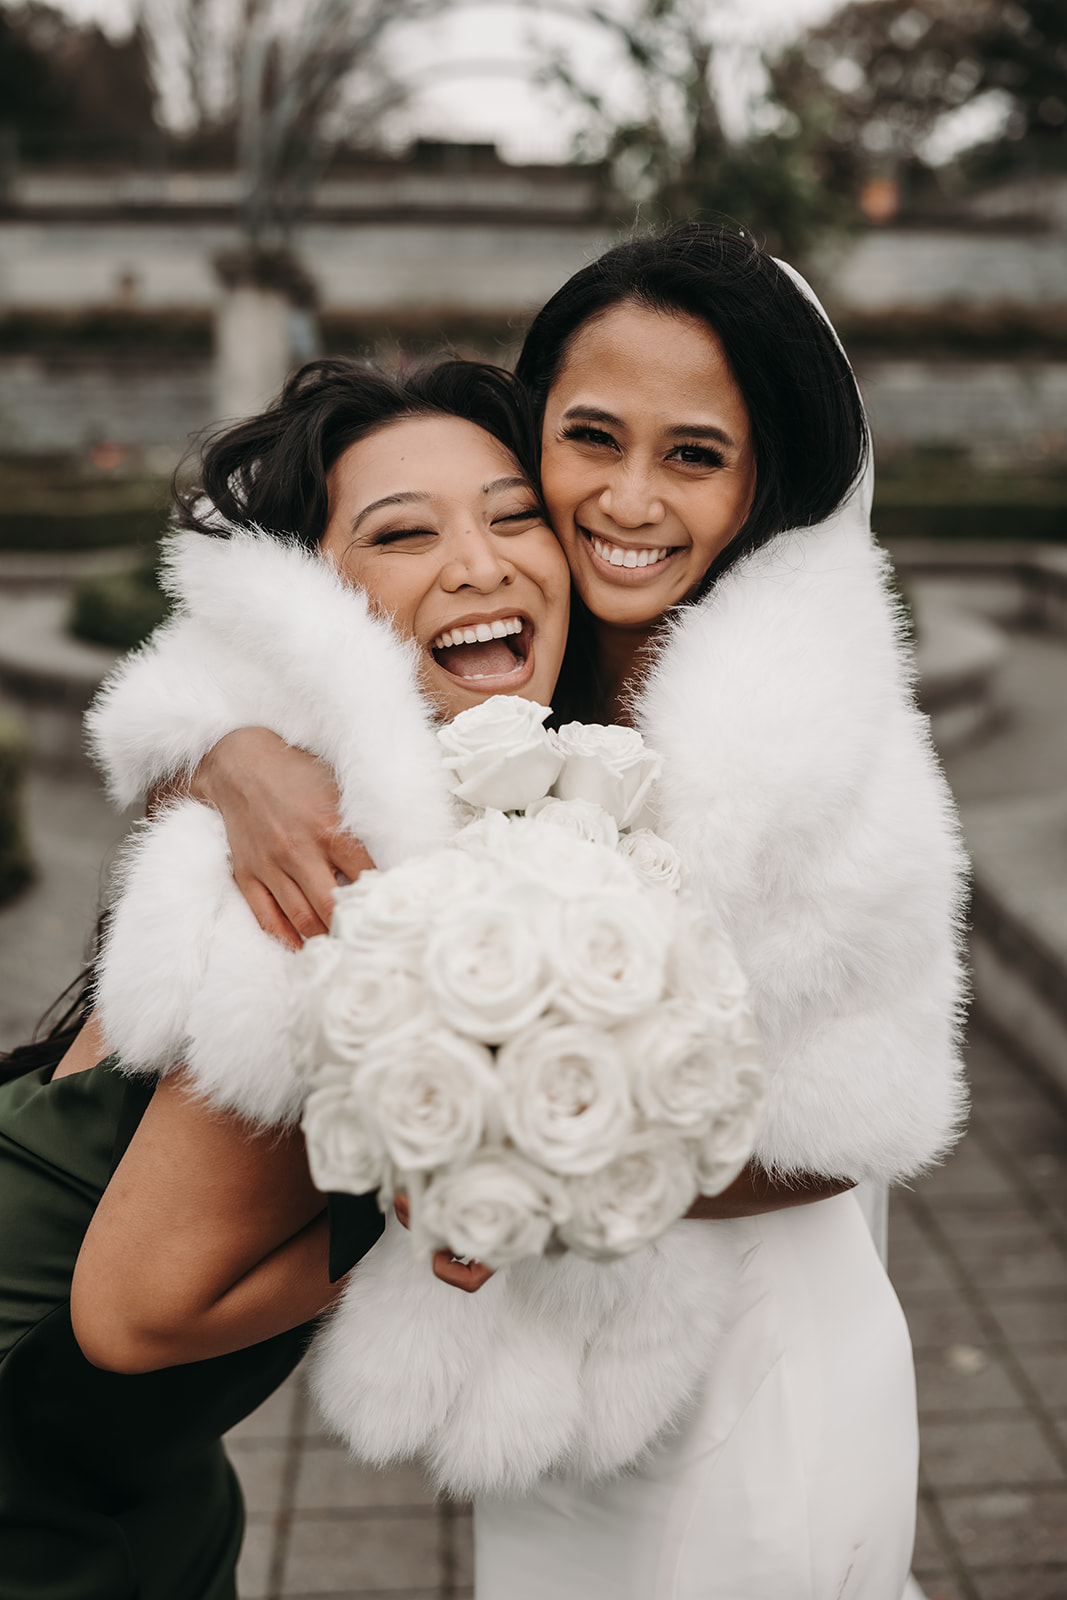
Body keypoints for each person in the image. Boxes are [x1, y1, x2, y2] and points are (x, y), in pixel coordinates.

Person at [86, 225, 967, 1599]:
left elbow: (863, 1120)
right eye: (588, 438)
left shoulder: (807, 735)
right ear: (530, 425)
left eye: (691, 455)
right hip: (548, 1388)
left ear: (763, 478)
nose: (622, 499)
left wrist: (507, 1146)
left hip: (743, 1354)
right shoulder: (519, 633)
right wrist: (217, 755)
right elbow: (260, 666)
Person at [0, 356, 573, 1598]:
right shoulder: (332, 876)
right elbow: (134, 1314)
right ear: (316, 602)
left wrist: (218, 753)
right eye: (405, 532)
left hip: (132, 1476)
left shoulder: (334, 770)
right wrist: (469, 1191)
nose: (478, 562)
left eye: (514, 512)